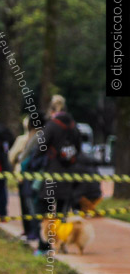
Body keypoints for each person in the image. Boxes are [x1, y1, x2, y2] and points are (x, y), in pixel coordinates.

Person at [35, 95, 81, 255]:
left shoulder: (52, 125)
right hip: (68, 173)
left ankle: (44, 246)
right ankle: (61, 244)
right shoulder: (74, 127)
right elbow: (79, 148)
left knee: (44, 209)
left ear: (52, 109)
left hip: (52, 173)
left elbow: (41, 147)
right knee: (62, 212)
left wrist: (33, 161)